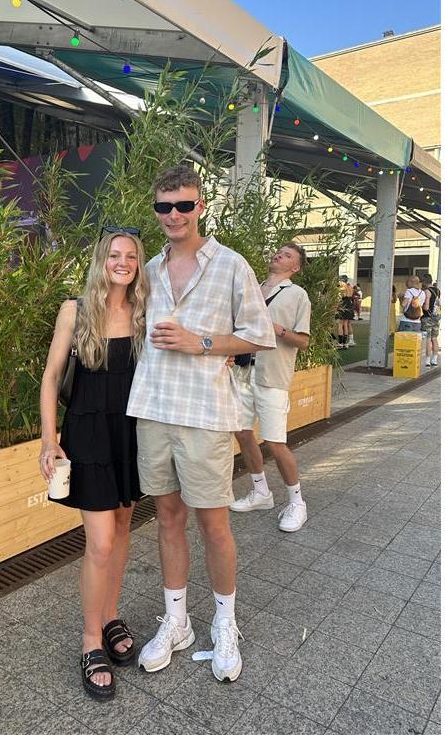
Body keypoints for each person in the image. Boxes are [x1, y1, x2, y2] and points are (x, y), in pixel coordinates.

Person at [126, 165, 276, 684]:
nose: (174, 215)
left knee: (214, 524)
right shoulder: (147, 269)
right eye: (164, 207)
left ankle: (224, 623)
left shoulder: (231, 264)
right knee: (167, 519)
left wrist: (203, 343)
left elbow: (259, 334)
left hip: (206, 414)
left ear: (201, 207)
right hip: (153, 408)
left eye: (184, 205)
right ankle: (177, 621)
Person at [39, 228, 149, 702]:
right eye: (115, 255)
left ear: (139, 264)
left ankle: (110, 616)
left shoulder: (144, 310)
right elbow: (50, 378)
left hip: (130, 434)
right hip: (87, 434)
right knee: (100, 542)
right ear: (102, 260)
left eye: (131, 256)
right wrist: (49, 440)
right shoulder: (76, 310)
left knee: (122, 529)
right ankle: (90, 641)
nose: (123, 262)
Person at [229, 243, 311, 534]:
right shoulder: (252, 288)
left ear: (295, 267)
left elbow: (303, 341)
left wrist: (277, 329)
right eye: (278, 251)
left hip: (272, 376)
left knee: (275, 442)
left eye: (287, 255)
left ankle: (297, 502)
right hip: (242, 372)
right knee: (242, 433)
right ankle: (261, 491)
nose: (278, 255)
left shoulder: (297, 295)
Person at [421, 273, 441, 367]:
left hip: (427, 318)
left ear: (424, 282)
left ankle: (428, 360)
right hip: (436, 317)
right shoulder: (437, 290)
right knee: (434, 338)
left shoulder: (427, 291)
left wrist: (420, 305)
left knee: (428, 339)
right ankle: (435, 360)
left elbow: (426, 307)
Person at [335, 275, 355, 347]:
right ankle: (345, 343)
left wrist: (336, 307)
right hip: (349, 305)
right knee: (346, 324)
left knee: (340, 324)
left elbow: (339, 299)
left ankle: (340, 343)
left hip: (343, 305)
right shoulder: (350, 287)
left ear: (341, 281)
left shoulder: (341, 288)